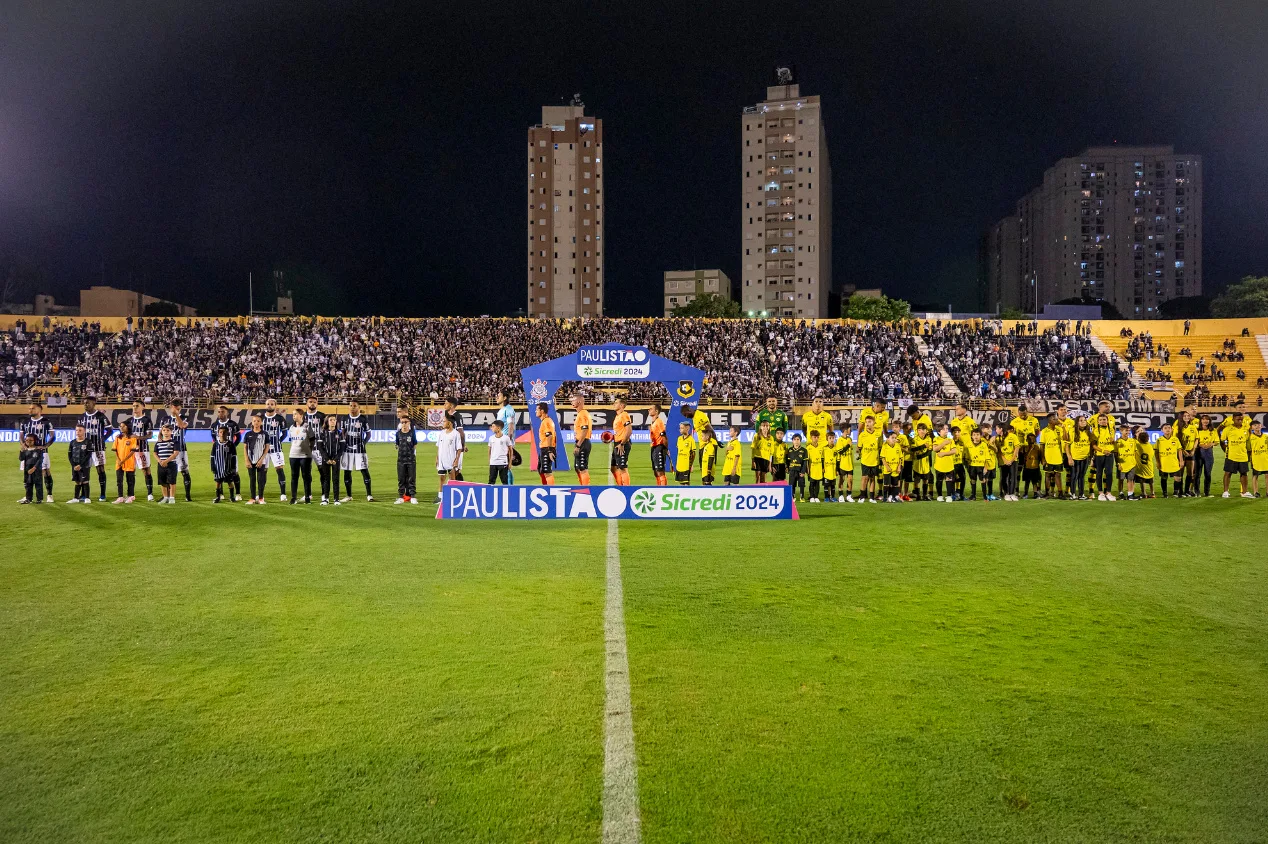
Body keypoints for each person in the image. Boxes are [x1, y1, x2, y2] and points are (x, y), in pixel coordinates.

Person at [18, 402, 55, 503]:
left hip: (42, 453)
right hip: (28, 452)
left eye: (32, 408)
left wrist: (45, 446)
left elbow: (52, 436)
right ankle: (28, 496)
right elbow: (21, 435)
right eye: (29, 408)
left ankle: (49, 495)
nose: (30, 410)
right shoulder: (25, 422)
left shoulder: (46, 421)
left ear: (39, 410)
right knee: (27, 473)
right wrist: (23, 445)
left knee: (45, 472)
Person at [339, 400, 373, 502]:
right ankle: (349, 495)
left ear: (358, 407)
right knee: (347, 471)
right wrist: (344, 442)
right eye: (351, 406)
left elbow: (368, 434)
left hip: (360, 450)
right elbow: (343, 432)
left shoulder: (363, 419)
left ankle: (369, 495)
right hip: (347, 450)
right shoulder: (344, 418)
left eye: (354, 406)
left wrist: (363, 443)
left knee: (364, 471)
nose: (352, 407)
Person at [162, 399, 192, 501]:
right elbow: (160, 434)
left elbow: (182, 426)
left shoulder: (185, 417)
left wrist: (177, 416)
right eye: (175, 408)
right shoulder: (165, 419)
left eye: (178, 408)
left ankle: (187, 495)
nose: (176, 410)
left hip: (181, 449)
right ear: (171, 407)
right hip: (167, 449)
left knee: (184, 471)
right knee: (167, 472)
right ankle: (167, 496)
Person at [209, 405, 242, 499]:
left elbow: (239, 437)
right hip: (219, 453)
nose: (220, 413)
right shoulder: (214, 425)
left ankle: (238, 494)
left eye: (222, 412)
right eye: (219, 412)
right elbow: (214, 438)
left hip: (230, 454)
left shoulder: (233, 424)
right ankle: (221, 494)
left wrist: (232, 447)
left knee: (234, 472)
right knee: (220, 471)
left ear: (227, 413)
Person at [1220, 409, 1253, 498]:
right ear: (1233, 419)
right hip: (1231, 455)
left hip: (1243, 455)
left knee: (1244, 473)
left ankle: (1244, 492)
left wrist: (1249, 454)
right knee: (1228, 473)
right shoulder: (1228, 429)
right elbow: (1222, 441)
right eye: (1238, 419)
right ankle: (1226, 491)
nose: (1240, 421)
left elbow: (1248, 442)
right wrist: (1226, 450)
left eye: (1241, 419)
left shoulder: (1246, 429)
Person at [261, 398, 289, 501]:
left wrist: (278, 441)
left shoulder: (280, 419)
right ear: (265, 405)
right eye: (268, 404)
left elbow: (285, 433)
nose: (269, 405)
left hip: (276, 449)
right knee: (263, 471)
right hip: (263, 450)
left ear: (275, 406)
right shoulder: (260, 418)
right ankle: (260, 494)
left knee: (279, 469)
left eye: (271, 404)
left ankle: (283, 494)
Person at [129, 400, 155, 501]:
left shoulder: (146, 420)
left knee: (146, 470)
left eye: (137, 406)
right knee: (130, 471)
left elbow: (150, 435)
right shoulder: (129, 421)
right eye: (133, 406)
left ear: (143, 407)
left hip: (143, 449)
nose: (134, 408)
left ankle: (150, 494)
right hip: (130, 451)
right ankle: (131, 494)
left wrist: (138, 437)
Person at [287, 409, 314, 503]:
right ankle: (293, 498)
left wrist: (309, 451)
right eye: (293, 414)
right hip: (293, 455)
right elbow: (292, 440)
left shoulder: (307, 426)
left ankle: (307, 497)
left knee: (306, 476)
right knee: (294, 476)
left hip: (305, 456)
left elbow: (312, 440)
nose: (293, 416)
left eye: (295, 414)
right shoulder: (291, 427)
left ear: (301, 415)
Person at [242, 414, 270, 505]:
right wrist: (246, 460)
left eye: (258, 421)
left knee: (261, 480)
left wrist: (261, 459)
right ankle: (252, 498)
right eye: (254, 421)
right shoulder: (248, 434)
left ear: (261, 422)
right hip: (251, 460)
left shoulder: (265, 434)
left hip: (261, 461)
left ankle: (261, 498)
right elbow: (245, 448)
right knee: (252, 479)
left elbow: (267, 448)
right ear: (252, 422)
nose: (256, 423)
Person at [317, 415, 344, 505]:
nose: (333, 421)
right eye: (331, 420)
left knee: (336, 479)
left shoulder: (340, 433)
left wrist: (336, 458)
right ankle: (326, 498)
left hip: (336, 459)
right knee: (326, 479)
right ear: (327, 422)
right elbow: (320, 447)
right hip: (326, 459)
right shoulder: (322, 433)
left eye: (334, 420)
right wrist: (326, 458)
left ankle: (336, 499)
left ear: (336, 422)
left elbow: (342, 448)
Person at [1090, 411, 1118, 501]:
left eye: (1104, 419)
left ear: (1107, 420)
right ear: (1098, 422)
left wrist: (1113, 441)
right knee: (1099, 473)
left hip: (1109, 454)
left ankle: (1108, 493)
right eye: (1101, 420)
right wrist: (1102, 450)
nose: (1103, 421)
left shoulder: (1111, 430)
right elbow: (1093, 445)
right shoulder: (1095, 431)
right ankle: (1100, 493)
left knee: (1109, 473)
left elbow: (1114, 442)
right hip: (1099, 455)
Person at [856, 415, 882, 503]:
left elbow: (880, 447)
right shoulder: (862, 435)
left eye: (869, 422)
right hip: (865, 460)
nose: (867, 424)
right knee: (864, 478)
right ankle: (862, 496)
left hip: (875, 461)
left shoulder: (878, 434)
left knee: (872, 479)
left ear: (874, 423)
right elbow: (859, 447)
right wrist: (859, 454)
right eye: (866, 422)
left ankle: (871, 497)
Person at [1039, 414, 1065, 499]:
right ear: (1050, 421)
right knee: (1048, 475)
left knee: (1058, 475)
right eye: (1054, 419)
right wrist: (1042, 458)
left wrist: (1064, 428)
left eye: (1057, 419)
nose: (1057, 420)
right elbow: (1042, 445)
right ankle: (1047, 493)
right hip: (1048, 458)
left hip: (1058, 457)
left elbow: (1065, 438)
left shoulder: (1059, 429)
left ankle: (1060, 493)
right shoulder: (1044, 431)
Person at [210, 425, 238, 503]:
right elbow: (212, 456)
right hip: (218, 468)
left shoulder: (230, 444)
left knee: (230, 482)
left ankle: (232, 497)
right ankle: (217, 497)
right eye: (220, 432)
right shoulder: (215, 444)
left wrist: (233, 467)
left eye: (224, 432)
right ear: (218, 433)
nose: (222, 434)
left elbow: (234, 456)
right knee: (218, 483)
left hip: (227, 468)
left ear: (227, 433)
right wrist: (213, 467)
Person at [113, 420, 139, 503]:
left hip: (129, 462)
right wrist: (119, 460)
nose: (121, 427)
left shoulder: (132, 437)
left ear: (128, 427)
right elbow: (115, 450)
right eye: (120, 426)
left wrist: (123, 460)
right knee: (119, 480)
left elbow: (132, 451)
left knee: (130, 480)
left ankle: (131, 496)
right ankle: (120, 497)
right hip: (119, 462)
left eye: (123, 426)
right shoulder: (118, 437)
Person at [1067, 416, 1092, 500]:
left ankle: (1081, 494)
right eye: (1081, 420)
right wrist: (1069, 457)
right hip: (1075, 458)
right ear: (1077, 422)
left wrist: (1091, 458)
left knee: (1082, 476)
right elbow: (1067, 445)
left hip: (1085, 458)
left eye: (1084, 420)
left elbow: (1091, 446)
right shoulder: (1072, 431)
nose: (1083, 422)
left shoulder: (1088, 432)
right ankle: (1073, 494)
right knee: (1074, 476)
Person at [395, 416, 419, 503]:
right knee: (401, 479)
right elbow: (397, 444)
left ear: (409, 423)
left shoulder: (412, 433)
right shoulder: (398, 434)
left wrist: (411, 453)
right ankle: (401, 497)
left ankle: (412, 496)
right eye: (402, 422)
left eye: (406, 422)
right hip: (401, 460)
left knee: (411, 478)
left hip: (411, 459)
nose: (404, 424)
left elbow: (415, 444)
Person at [932, 423, 959, 502]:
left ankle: (949, 496)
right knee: (939, 480)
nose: (946, 430)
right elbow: (935, 449)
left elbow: (954, 450)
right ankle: (940, 495)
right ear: (939, 431)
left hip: (949, 464)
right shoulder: (936, 439)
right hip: (939, 465)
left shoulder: (950, 440)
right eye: (944, 429)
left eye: (947, 429)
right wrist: (943, 443)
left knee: (949, 480)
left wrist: (944, 453)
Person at [1156, 422, 1183, 498]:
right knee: (1164, 478)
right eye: (1165, 428)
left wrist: (1181, 461)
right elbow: (1156, 452)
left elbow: (1179, 450)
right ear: (1162, 430)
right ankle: (1165, 493)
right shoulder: (1159, 440)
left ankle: (1175, 492)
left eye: (1169, 428)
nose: (1167, 429)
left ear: (1171, 429)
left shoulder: (1175, 439)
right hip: (1163, 463)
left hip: (1174, 462)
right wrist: (1158, 462)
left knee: (1178, 478)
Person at [67, 424, 93, 504]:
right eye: (77, 430)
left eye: (80, 430)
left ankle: (87, 498)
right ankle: (75, 498)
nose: (78, 432)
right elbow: (69, 455)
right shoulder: (72, 442)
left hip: (84, 465)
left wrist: (80, 465)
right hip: (75, 465)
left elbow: (88, 455)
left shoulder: (88, 442)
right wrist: (74, 465)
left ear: (84, 431)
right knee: (77, 481)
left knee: (85, 481)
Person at [442, 397, 467, 480]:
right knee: (450, 469)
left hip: (456, 446)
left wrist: (463, 446)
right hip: (449, 444)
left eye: (446, 403)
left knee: (456, 470)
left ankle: (461, 487)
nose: (444, 405)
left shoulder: (457, 416)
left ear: (451, 405)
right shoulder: (447, 414)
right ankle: (453, 488)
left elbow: (461, 433)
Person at [436, 414, 462, 493]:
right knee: (441, 478)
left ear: (449, 423)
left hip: (451, 460)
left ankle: (453, 495)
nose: (442, 423)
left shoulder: (456, 434)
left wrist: (457, 460)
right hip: (441, 460)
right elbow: (439, 447)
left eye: (444, 421)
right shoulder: (442, 433)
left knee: (452, 479)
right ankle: (440, 496)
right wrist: (437, 458)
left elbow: (459, 448)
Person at [571, 394, 593, 485]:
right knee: (577, 467)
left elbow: (585, 429)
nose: (571, 402)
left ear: (579, 402)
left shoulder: (583, 414)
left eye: (573, 400)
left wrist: (578, 445)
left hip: (583, 443)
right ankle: (582, 486)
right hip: (580, 442)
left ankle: (586, 488)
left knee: (582, 467)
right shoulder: (581, 414)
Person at [154, 424, 179, 504]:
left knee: (172, 481)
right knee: (162, 482)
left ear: (171, 432)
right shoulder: (158, 443)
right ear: (161, 431)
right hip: (161, 465)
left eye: (168, 430)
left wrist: (166, 461)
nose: (166, 432)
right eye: (164, 430)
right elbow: (155, 453)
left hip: (171, 464)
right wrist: (160, 461)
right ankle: (165, 497)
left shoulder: (174, 442)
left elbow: (175, 453)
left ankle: (172, 498)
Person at [496, 392, 517, 483]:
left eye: (499, 396)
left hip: (505, 442)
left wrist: (508, 442)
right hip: (501, 441)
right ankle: (508, 487)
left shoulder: (508, 409)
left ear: (504, 398)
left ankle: (509, 488)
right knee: (504, 467)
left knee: (506, 467)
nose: (497, 397)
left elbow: (510, 426)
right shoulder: (502, 410)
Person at [1193, 414, 1216, 497]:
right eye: (1203, 419)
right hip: (1198, 453)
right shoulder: (1197, 430)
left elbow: (1216, 441)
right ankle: (1197, 492)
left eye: (1207, 419)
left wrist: (1211, 444)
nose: (1205, 421)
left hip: (1209, 453)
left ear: (1209, 421)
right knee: (1197, 474)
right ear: (1201, 421)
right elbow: (1194, 441)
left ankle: (1207, 492)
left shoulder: (1213, 430)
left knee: (1208, 474)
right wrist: (1200, 445)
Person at [611, 398, 632, 486]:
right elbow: (620, 431)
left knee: (622, 468)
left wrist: (622, 443)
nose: (614, 404)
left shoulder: (624, 415)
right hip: (617, 443)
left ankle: (626, 488)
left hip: (622, 444)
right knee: (613, 467)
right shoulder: (617, 416)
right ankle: (620, 485)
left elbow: (629, 430)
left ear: (622, 406)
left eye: (616, 403)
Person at [1114, 426, 1138, 500]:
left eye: (1128, 431)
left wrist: (1136, 462)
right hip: (1122, 464)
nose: (1128, 432)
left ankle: (1130, 494)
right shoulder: (1118, 442)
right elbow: (1116, 454)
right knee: (1121, 479)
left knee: (1130, 479)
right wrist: (1118, 464)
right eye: (1126, 431)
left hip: (1131, 464)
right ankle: (1121, 493)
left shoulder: (1132, 441)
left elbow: (1135, 452)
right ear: (1121, 431)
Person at [19, 434, 45, 504]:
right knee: (28, 485)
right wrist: (21, 451)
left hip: (36, 470)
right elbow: (21, 459)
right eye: (27, 440)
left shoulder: (39, 450)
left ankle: (39, 499)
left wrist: (34, 468)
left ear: (34, 441)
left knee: (38, 484)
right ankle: (28, 499)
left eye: (30, 440)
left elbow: (40, 460)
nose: (28, 442)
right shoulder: (25, 450)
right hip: (27, 470)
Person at [535, 402, 557, 485]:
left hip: (547, 448)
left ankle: (551, 490)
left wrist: (550, 451)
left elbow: (550, 436)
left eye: (537, 410)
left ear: (542, 411)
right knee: (541, 470)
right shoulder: (546, 421)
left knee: (547, 471)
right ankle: (545, 487)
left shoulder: (546, 421)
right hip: (545, 448)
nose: (535, 411)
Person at [880, 430, 905, 503]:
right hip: (887, 469)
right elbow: (882, 458)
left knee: (895, 484)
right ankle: (885, 497)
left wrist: (899, 467)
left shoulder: (897, 446)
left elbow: (900, 457)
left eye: (895, 438)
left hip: (895, 468)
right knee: (886, 484)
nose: (894, 439)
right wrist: (887, 466)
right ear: (888, 439)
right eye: (892, 438)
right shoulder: (885, 446)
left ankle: (894, 497)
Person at [910, 423, 932, 501]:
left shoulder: (929, 439)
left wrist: (921, 456)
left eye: (923, 430)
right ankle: (918, 495)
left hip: (925, 463)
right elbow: (913, 449)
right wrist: (923, 446)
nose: (921, 431)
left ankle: (925, 495)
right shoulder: (915, 439)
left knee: (926, 479)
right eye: (919, 430)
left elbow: (930, 450)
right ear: (917, 431)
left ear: (926, 431)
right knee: (917, 480)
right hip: (917, 464)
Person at [648, 403, 669, 486]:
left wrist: (665, 449)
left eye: (651, 408)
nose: (648, 410)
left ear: (656, 411)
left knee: (660, 470)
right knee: (655, 471)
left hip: (659, 447)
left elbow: (664, 436)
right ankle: (658, 488)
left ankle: (663, 489)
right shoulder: (653, 422)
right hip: (654, 447)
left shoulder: (659, 422)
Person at [487, 419, 512, 485]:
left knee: (504, 482)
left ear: (498, 428)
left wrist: (510, 463)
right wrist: (490, 461)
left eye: (493, 426)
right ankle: (490, 494)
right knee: (491, 481)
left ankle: (506, 494)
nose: (491, 428)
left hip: (503, 463)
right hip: (493, 463)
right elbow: (489, 450)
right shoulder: (491, 438)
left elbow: (511, 451)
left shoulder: (506, 438)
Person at [835, 425, 856, 502]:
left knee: (850, 480)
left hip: (850, 464)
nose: (851, 430)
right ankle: (840, 495)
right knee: (841, 480)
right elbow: (840, 452)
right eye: (850, 429)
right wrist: (848, 445)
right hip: (842, 464)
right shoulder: (840, 440)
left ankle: (849, 495)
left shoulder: (849, 439)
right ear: (846, 430)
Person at [1248, 419, 1268, 497]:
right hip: (1255, 459)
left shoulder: (1266, 436)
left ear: (1261, 426)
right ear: (1251, 427)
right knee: (1255, 475)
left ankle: (1267, 491)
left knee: (1267, 475)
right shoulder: (1250, 437)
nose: (1257, 427)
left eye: (1258, 425)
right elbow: (1249, 449)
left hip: (1266, 458)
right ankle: (1256, 492)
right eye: (1255, 425)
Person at [805, 429, 826, 502]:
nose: (816, 439)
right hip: (812, 468)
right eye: (814, 437)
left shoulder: (821, 447)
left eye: (817, 437)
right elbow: (806, 460)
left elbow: (823, 458)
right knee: (811, 483)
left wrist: (823, 468)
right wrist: (807, 469)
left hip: (819, 468)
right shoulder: (808, 448)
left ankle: (816, 496)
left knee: (817, 483)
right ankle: (811, 496)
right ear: (811, 437)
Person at [1134, 428, 1155, 498]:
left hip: (1141, 467)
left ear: (1139, 439)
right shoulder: (1149, 446)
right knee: (1151, 481)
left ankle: (1144, 493)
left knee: (1142, 480)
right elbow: (1152, 455)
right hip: (1149, 466)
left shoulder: (1138, 445)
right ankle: (1152, 493)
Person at [785, 433, 807, 501]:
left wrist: (803, 471)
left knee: (801, 484)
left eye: (798, 439)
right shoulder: (790, 450)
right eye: (794, 439)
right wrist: (787, 468)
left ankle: (802, 497)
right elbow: (787, 461)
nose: (796, 441)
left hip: (800, 470)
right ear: (792, 441)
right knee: (792, 484)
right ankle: (792, 496)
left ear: (800, 441)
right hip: (792, 470)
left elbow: (805, 462)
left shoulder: (804, 450)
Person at [673, 421, 695, 485]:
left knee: (686, 482)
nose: (680, 429)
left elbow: (693, 453)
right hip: (679, 465)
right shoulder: (679, 439)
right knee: (681, 482)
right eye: (680, 428)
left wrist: (691, 465)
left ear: (687, 428)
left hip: (686, 465)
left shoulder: (691, 440)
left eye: (682, 428)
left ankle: (688, 494)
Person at [751, 420, 773, 484]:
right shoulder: (757, 436)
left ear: (769, 427)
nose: (765, 427)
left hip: (766, 460)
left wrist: (769, 465)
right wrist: (753, 461)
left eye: (767, 426)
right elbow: (753, 449)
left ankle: (763, 492)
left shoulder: (771, 438)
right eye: (763, 426)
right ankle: (756, 492)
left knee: (763, 478)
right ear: (760, 427)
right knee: (757, 477)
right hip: (757, 459)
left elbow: (771, 453)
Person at [1021, 433, 1042, 499]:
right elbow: (1023, 456)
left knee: (1035, 481)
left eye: (1033, 439)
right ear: (1027, 440)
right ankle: (1025, 493)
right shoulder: (1025, 447)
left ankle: (1035, 493)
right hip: (1027, 467)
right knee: (1027, 481)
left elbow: (1039, 456)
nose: (1031, 440)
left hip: (1035, 467)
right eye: (1030, 439)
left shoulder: (1037, 447)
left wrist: (1039, 463)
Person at [822, 429, 839, 502]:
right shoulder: (824, 448)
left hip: (833, 469)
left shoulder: (836, 449)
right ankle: (826, 497)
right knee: (826, 485)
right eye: (830, 438)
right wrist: (822, 468)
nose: (832, 440)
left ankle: (833, 497)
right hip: (826, 470)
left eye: (833, 438)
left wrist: (837, 470)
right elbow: (822, 459)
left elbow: (838, 460)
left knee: (833, 485)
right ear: (827, 439)